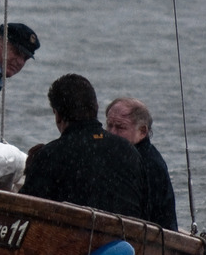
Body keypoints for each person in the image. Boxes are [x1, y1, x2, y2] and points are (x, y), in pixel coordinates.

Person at [20, 74, 148, 219]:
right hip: (124, 237)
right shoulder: (130, 151)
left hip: (71, 237)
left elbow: (25, 210)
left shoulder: (49, 154)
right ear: (95, 107)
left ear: (58, 115)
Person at [105, 97, 178, 231]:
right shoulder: (118, 156)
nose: (112, 133)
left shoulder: (149, 163)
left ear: (142, 131)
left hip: (155, 241)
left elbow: (146, 215)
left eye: (120, 127)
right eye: (109, 125)